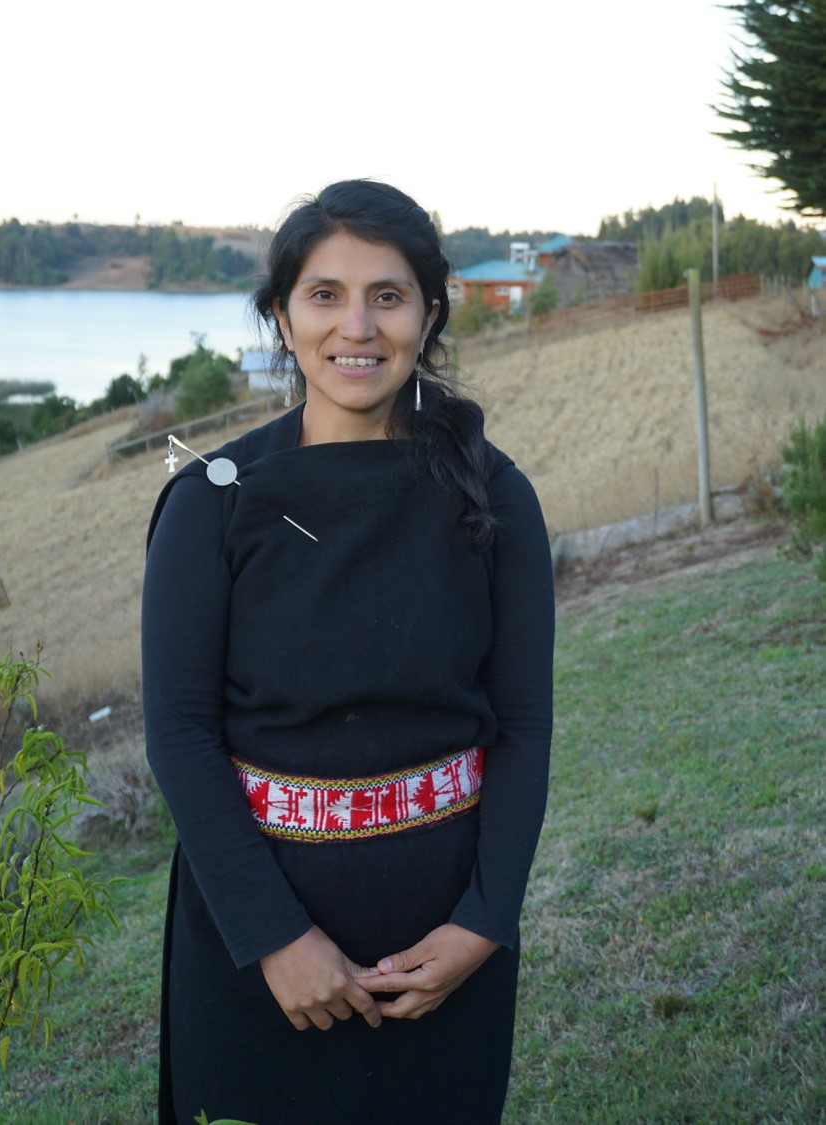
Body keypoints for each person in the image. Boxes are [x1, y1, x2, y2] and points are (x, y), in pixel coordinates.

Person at [141, 179, 554, 1125]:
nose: (355, 326)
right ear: (282, 317)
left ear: (430, 313)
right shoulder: (213, 500)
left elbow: (523, 723)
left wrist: (486, 920)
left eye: (388, 294)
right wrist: (276, 937)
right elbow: (180, 731)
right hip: (257, 950)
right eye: (324, 294)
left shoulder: (495, 497)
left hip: (445, 949)